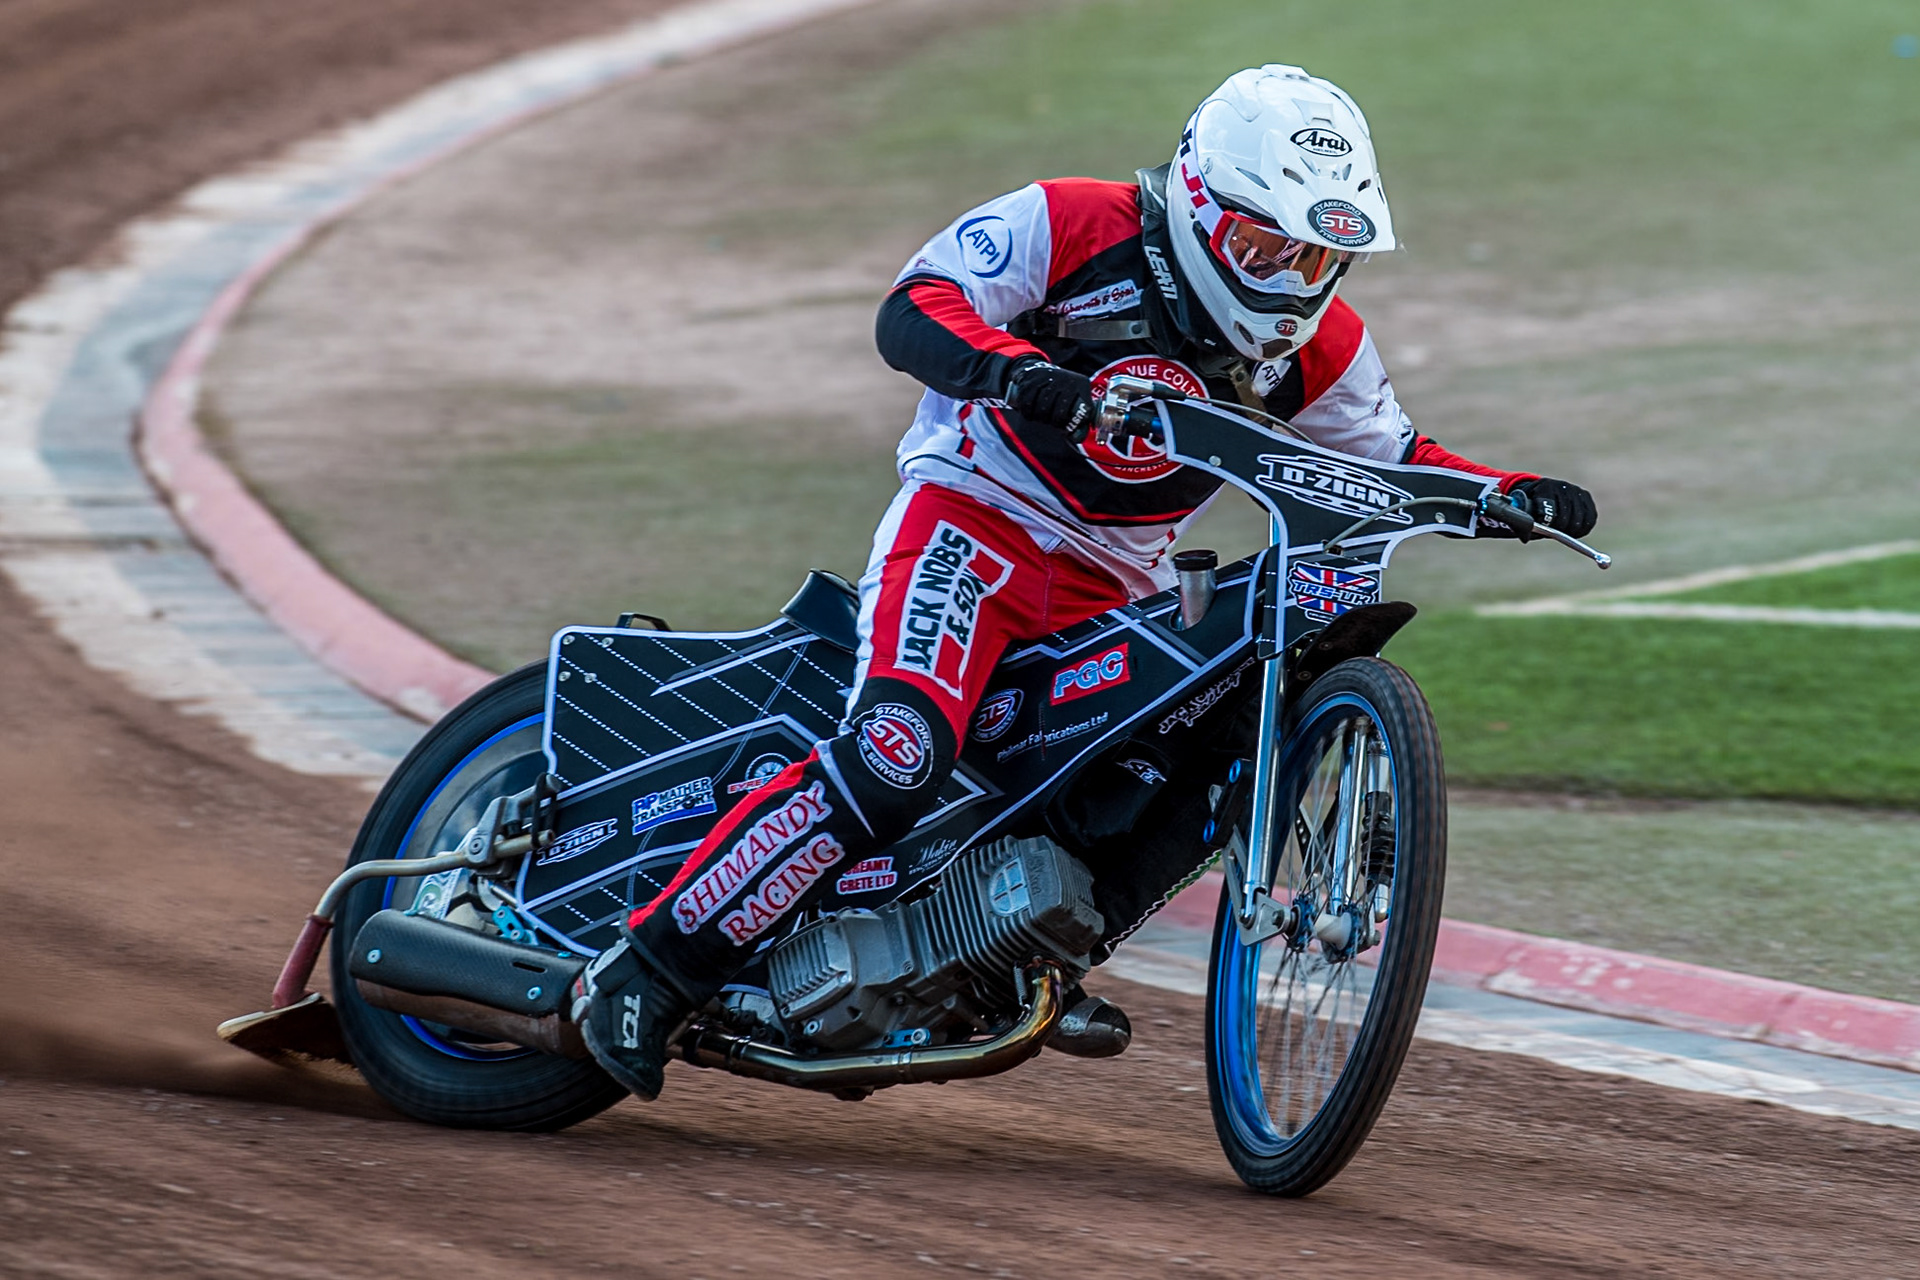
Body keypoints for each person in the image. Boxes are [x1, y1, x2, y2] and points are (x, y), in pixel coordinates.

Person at [573, 64, 1597, 1099]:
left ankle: (1032, 940)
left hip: (1119, 582)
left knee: (1202, 749)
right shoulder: (1070, 221)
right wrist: (1022, 373)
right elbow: (915, 307)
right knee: (898, 752)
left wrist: (1510, 491)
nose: (1292, 281)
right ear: (1201, 201)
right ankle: (649, 967)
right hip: (974, 524)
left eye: (1321, 254)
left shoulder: (1322, 345)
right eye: (1266, 246)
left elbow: (1390, 454)